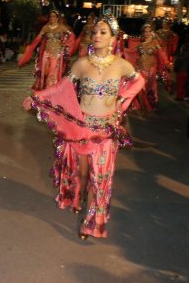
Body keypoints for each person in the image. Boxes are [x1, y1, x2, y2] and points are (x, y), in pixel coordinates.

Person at [24, 15, 144, 239]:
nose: (97, 36)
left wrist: (121, 100)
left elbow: (139, 80)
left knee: (100, 178)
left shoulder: (122, 65)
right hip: (82, 128)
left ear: (113, 38)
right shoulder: (82, 64)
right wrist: (37, 96)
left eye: (103, 32)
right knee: (82, 172)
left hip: (106, 130)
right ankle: (77, 195)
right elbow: (61, 87)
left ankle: (92, 222)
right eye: (95, 32)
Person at [18, 9, 75, 90]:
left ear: (57, 18)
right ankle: (45, 88)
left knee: (52, 71)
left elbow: (71, 35)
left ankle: (51, 88)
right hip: (46, 52)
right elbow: (38, 38)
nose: (52, 18)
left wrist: (65, 44)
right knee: (45, 71)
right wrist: (30, 46)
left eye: (54, 16)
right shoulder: (45, 27)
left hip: (57, 53)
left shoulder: (61, 27)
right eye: (50, 16)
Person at [131, 23, 169, 111]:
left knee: (150, 87)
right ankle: (142, 105)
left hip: (151, 68)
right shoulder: (140, 43)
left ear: (152, 32)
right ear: (143, 33)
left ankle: (151, 104)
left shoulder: (155, 42)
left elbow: (161, 53)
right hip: (140, 67)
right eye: (145, 32)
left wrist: (166, 62)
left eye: (149, 31)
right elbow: (133, 52)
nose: (147, 33)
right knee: (140, 87)